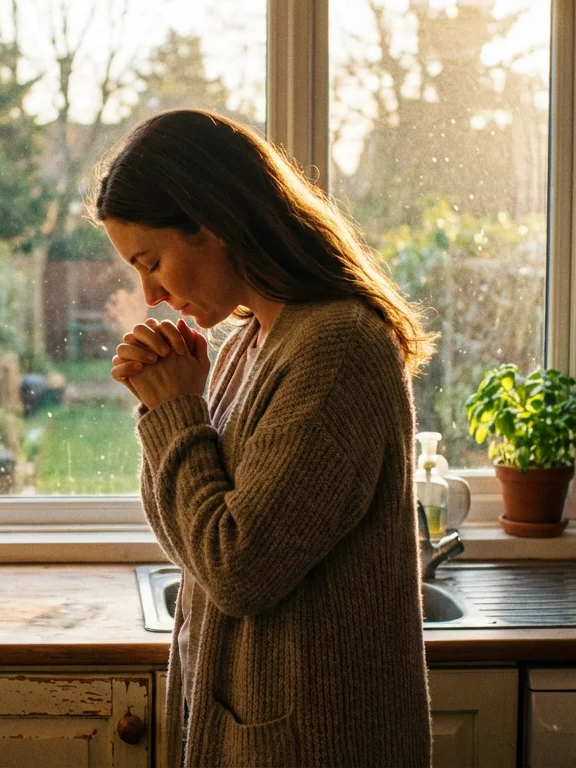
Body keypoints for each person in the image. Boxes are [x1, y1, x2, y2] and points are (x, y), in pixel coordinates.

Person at [87, 109, 436, 767]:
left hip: (316, 747)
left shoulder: (335, 350)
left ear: (212, 221)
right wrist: (166, 407)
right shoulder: (254, 341)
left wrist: (176, 414)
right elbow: (195, 539)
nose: (151, 295)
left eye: (152, 261)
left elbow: (239, 570)